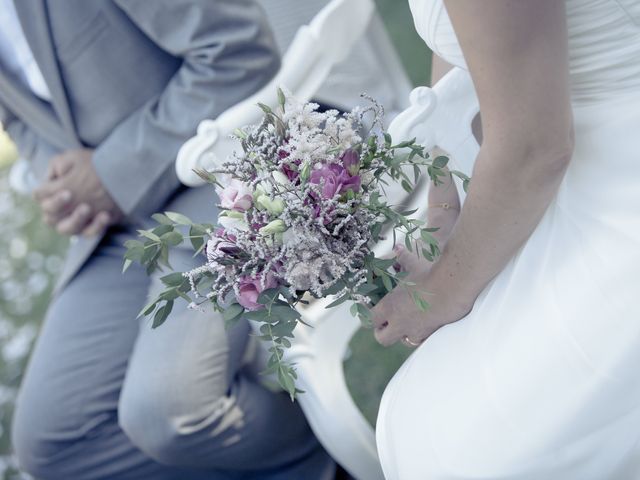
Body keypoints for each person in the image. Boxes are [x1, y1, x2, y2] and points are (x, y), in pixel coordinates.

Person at [1, 1, 338, 478]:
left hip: (224, 178)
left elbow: (237, 52)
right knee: (52, 444)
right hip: (115, 227)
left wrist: (111, 173)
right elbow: (20, 117)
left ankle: (321, 462)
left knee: (168, 413)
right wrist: (59, 181)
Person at [373, 0, 640, 478]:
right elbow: (461, 44)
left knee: (476, 453)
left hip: (618, 169)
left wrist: (440, 293)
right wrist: (443, 201)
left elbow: (534, 149)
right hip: (566, 146)